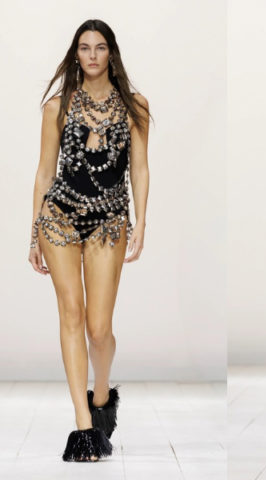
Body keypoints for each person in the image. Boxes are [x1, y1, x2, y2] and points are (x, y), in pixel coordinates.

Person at [28, 19, 149, 462]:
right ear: (75, 54)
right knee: (71, 313)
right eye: (84, 47)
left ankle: (101, 396)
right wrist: (33, 233)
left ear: (111, 53)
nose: (92, 55)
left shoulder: (134, 106)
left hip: (109, 221)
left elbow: (140, 168)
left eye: (100, 47)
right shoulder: (57, 107)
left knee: (99, 328)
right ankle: (83, 427)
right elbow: (45, 171)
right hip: (58, 218)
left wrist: (141, 222)